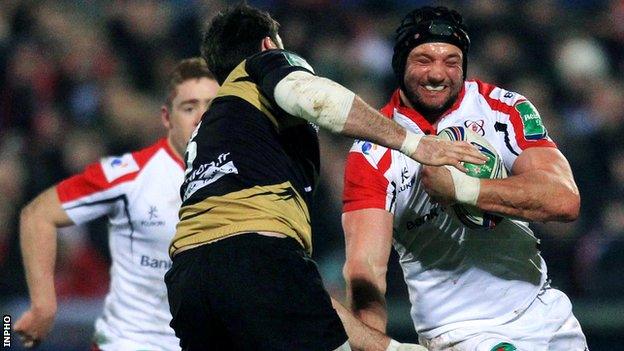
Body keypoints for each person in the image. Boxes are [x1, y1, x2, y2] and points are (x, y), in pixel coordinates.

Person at [165, 4, 486, 351]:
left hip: (187, 285)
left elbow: (292, 293)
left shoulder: (218, 129)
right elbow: (316, 99)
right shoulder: (262, 66)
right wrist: (415, 144)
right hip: (254, 259)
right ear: (269, 45)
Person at [342, 6, 588, 351]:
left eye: (451, 61)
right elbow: (365, 269)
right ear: (400, 63)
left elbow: (565, 199)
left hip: (546, 309)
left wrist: (463, 189)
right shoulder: (371, 153)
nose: (437, 74)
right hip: (463, 331)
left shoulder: (504, 109)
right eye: (423, 59)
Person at [15, 58, 220, 350]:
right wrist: (43, 306)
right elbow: (37, 215)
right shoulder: (127, 174)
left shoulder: (241, 176)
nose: (201, 117)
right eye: (189, 108)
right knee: (7, 330)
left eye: (210, 107)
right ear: (166, 118)